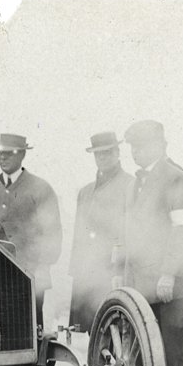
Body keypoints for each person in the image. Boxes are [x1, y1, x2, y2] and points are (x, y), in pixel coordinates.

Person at [122, 120, 183, 366]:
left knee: (171, 343)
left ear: (159, 145)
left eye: (140, 146)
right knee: (146, 342)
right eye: (131, 146)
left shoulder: (175, 178)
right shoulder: (137, 181)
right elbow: (130, 231)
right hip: (143, 277)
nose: (134, 152)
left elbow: (182, 231)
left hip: (171, 279)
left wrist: (168, 273)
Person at [0, 133, 62, 366]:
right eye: (0, 152)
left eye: (10, 153)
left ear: (22, 155)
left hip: (30, 273)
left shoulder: (40, 188)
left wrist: (43, 266)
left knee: (32, 327)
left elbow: (53, 233)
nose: (3, 157)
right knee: (0, 328)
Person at [68, 131, 133, 331]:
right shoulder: (85, 192)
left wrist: (121, 269)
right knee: (89, 330)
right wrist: (76, 272)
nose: (102, 157)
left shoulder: (130, 185)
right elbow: (79, 235)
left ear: (117, 152)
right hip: (86, 273)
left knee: (115, 327)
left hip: (112, 270)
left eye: (107, 152)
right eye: (98, 154)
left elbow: (130, 232)